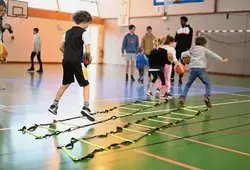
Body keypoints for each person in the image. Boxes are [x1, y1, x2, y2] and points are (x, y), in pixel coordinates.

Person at [48, 10, 95, 122]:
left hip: (66, 61)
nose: (88, 25)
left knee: (65, 84)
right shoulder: (84, 33)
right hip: (78, 62)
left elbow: (60, 47)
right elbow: (87, 51)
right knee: (86, 84)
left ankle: (54, 105)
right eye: (88, 23)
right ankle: (86, 107)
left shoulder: (67, 32)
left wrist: (68, 55)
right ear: (85, 21)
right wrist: (89, 58)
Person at [179, 36, 228, 108]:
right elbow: (213, 55)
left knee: (188, 84)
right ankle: (206, 97)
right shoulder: (204, 50)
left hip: (192, 69)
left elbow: (183, 54)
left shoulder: (192, 49)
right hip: (201, 69)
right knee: (207, 83)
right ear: (204, 43)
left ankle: (182, 97)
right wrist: (221, 59)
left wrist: (183, 59)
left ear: (196, 42)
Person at [156, 35, 179, 99]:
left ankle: (158, 90)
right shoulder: (172, 49)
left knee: (160, 78)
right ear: (171, 42)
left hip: (159, 65)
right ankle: (167, 93)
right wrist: (178, 64)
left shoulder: (160, 47)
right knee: (167, 79)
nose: (174, 44)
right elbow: (174, 59)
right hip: (167, 65)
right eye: (173, 42)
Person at [171, 16, 193, 84]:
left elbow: (190, 40)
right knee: (174, 63)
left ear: (185, 21)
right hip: (177, 49)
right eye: (180, 21)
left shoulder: (190, 29)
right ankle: (172, 77)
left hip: (184, 50)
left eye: (182, 21)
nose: (181, 22)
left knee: (182, 64)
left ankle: (180, 78)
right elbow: (175, 39)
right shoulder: (178, 29)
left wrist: (188, 49)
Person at [0, 1, 14, 90]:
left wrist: (4, 28)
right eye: (3, 10)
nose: (4, 12)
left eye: (5, 11)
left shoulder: (1, 19)